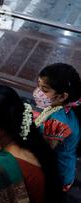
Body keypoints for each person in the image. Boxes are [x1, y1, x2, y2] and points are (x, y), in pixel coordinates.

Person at [33, 63, 81, 191]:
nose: (39, 92)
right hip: (66, 165)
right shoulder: (69, 105)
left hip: (57, 177)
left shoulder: (57, 122)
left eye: (44, 90)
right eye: (39, 86)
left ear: (63, 96)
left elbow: (44, 153)